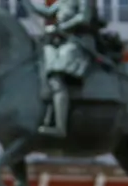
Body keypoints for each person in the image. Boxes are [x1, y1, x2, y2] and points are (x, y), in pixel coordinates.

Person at [27, 0, 104, 137]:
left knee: (57, 76)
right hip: (63, 42)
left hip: (80, 43)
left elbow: (84, 18)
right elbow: (47, 12)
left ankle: (59, 127)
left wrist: (59, 28)